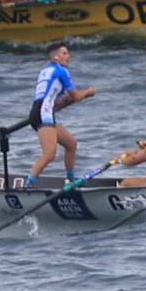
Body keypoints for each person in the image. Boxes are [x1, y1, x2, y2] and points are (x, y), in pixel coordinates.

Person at [25, 42, 97, 188]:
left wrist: (67, 100)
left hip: (41, 111)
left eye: (68, 53)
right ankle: (27, 185)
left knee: (71, 144)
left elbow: (55, 103)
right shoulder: (61, 71)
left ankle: (70, 180)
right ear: (56, 57)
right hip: (43, 114)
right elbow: (76, 96)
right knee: (49, 154)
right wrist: (88, 92)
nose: (68, 56)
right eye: (64, 53)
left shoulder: (46, 71)